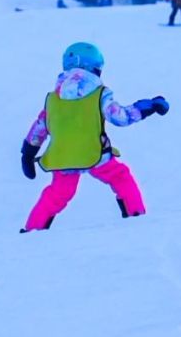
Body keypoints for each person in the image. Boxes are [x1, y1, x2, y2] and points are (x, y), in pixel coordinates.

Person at [20, 42, 169, 232]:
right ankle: (136, 216)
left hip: (63, 157)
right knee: (120, 177)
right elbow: (120, 117)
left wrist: (27, 153)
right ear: (90, 67)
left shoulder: (53, 99)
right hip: (94, 153)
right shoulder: (99, 94)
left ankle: (32, 230)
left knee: (58, 194)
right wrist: (148, 106)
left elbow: (39, 128)